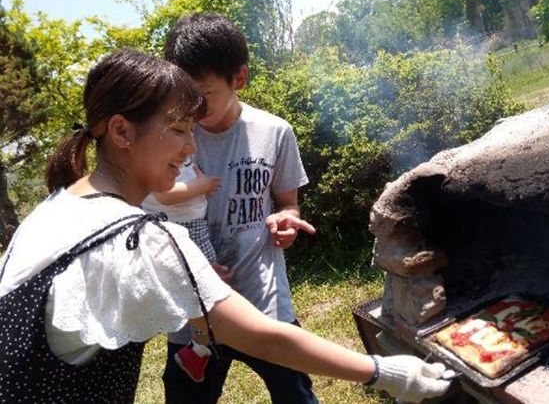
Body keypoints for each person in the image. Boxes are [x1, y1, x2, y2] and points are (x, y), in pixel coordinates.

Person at [0, 49, 454, 403]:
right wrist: (386, 371)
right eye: (178, 130)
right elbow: (260, 335)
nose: (191, 147)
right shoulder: (138, 238)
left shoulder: (53, 208)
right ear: (121, 132)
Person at [162, 12, 319, 403]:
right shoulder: (166, 139)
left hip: (264, 305)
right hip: (194, 316)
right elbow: (152, 217)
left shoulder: (274, 132)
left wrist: (287, 221)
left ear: (239, 79)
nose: (193, 108)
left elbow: (288, 203)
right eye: (184, 95)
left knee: (296, 397)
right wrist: (189, 267)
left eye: (204, 94)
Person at [142, 161, 221, 382]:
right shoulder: (155, 157)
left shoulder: (176, 153)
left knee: (204, 285)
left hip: (191, 224)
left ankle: (199, 348)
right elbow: (164, 194)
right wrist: (202, 186)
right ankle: (198, 348)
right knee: (201, 289)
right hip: (179, 227)